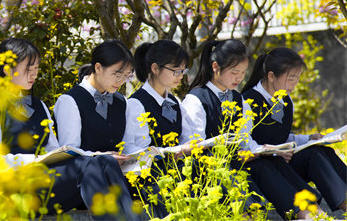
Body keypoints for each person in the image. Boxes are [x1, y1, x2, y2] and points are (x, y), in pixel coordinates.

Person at [0, 38, 138, 220]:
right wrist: (34, 160)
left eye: (36, 69)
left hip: (42, 185)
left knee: (105, 161)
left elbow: (54, 152)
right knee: (91, 164)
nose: (34, 74)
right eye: (28, 69)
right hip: (11, 192)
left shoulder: (39, 106)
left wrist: (94, 156)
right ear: (8, 70)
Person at [182, 39, 322, 219]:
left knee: (272, 161)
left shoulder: (238, 99)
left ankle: (310, 212)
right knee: (262, 166)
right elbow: (193, 147)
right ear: (215, 67)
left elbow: (246, 140)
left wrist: (263, 150)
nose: (239, 78)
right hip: (212, 168)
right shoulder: (196, 100)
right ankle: (305, 215)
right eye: (234, 72)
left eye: (242, 73)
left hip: (238, 163)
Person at [241, 47, 347, 212]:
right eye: (290, 79)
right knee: (313, 155)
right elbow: (246, 143)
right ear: (271, 76)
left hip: (284, 161)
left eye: (297, 79)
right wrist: (275, 152)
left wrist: (310, 138)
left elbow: (281, 136)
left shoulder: (285, 99)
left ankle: (345, 200)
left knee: (320, 151)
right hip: (266, 167)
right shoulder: (247, 102)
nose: (294, 84)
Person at [124, 39, 194, 218]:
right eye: (175, 70)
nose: (180, 75)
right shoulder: (136, 103)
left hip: (174, 168)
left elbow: (185, 138)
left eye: (183, 70)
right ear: (155, 68)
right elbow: (137, 150)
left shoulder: (175, 102)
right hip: (149, 174)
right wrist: (176, 150)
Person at [54, 39, 135, 165]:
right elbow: (69, 152)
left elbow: (128, 144)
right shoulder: (70, 101)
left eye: (127, 75)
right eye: (117, 75)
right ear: (98, 68)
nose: (121, 81)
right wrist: (103, 158)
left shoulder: (122, 101)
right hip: (86, 179)